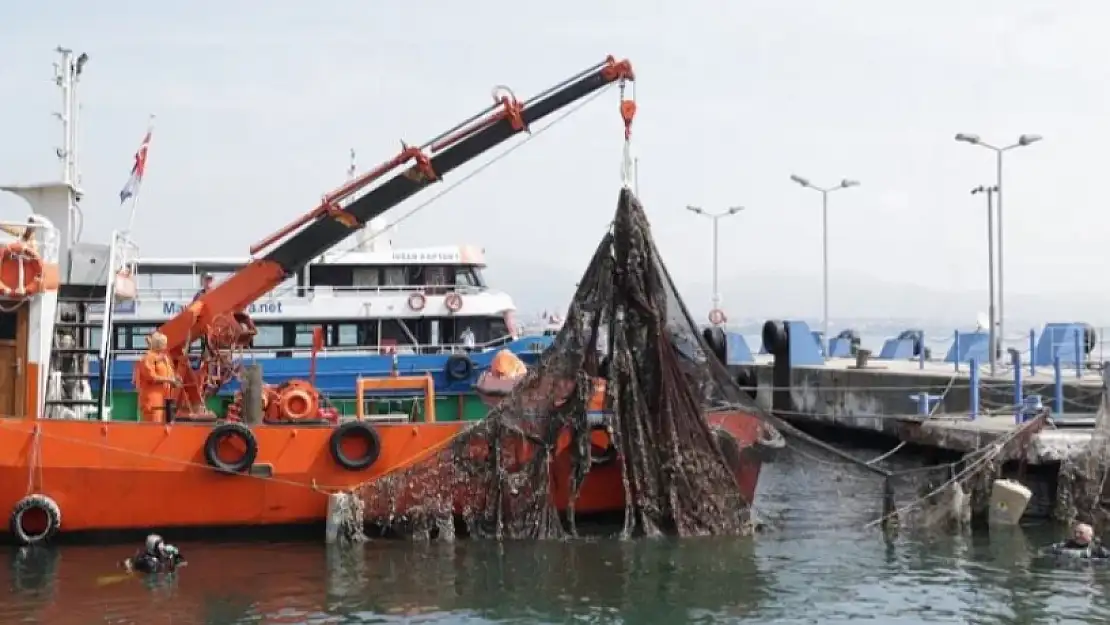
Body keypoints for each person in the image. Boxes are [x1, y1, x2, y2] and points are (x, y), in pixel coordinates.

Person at [134, 332, 179, 423]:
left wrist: (175, 380)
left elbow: (169, 373)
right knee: (154, 427)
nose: (166, 345)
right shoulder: (148, 358)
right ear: (158, 344)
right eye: (164, 343)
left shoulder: (164, 358)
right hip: (152, 400)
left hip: (164, 399)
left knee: (164, 426)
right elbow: (151, 377)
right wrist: (170, 380)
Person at [120, 534, 185, 574]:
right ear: (153, 548)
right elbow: (160, 572)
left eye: (162, 544)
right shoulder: (150, 563)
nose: (162, 547)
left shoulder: (158, 553)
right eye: (159, 546)